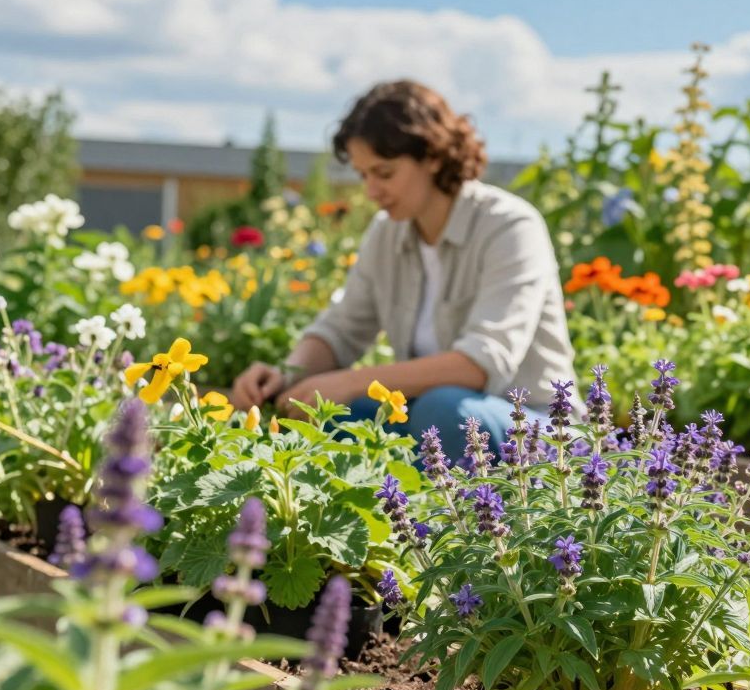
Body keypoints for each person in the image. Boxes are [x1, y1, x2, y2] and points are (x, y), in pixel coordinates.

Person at [230, 80, 576, 462]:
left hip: (533, 429)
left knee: (445, 411)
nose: (371, 191)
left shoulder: (510, 226)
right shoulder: (387, 232)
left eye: (384, 172)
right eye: (364, 175)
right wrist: (285, 375)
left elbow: (481, 364)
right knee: (321, 414)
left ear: (433, 156)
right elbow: (341, 329)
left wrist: (351, 381)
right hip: (428, 418)